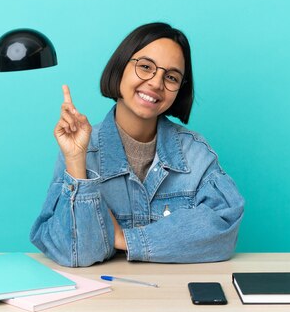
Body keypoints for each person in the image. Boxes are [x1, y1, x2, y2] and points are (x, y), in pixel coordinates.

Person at [30, 22, 244, 267]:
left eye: (171, 77)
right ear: (121, 67)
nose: (156, 83)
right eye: (145, 67)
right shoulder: (82, 148)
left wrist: (124, 239)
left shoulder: (195, 154)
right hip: (105, 298)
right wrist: (77, 162)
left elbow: (223, 230)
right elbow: (76, 252)